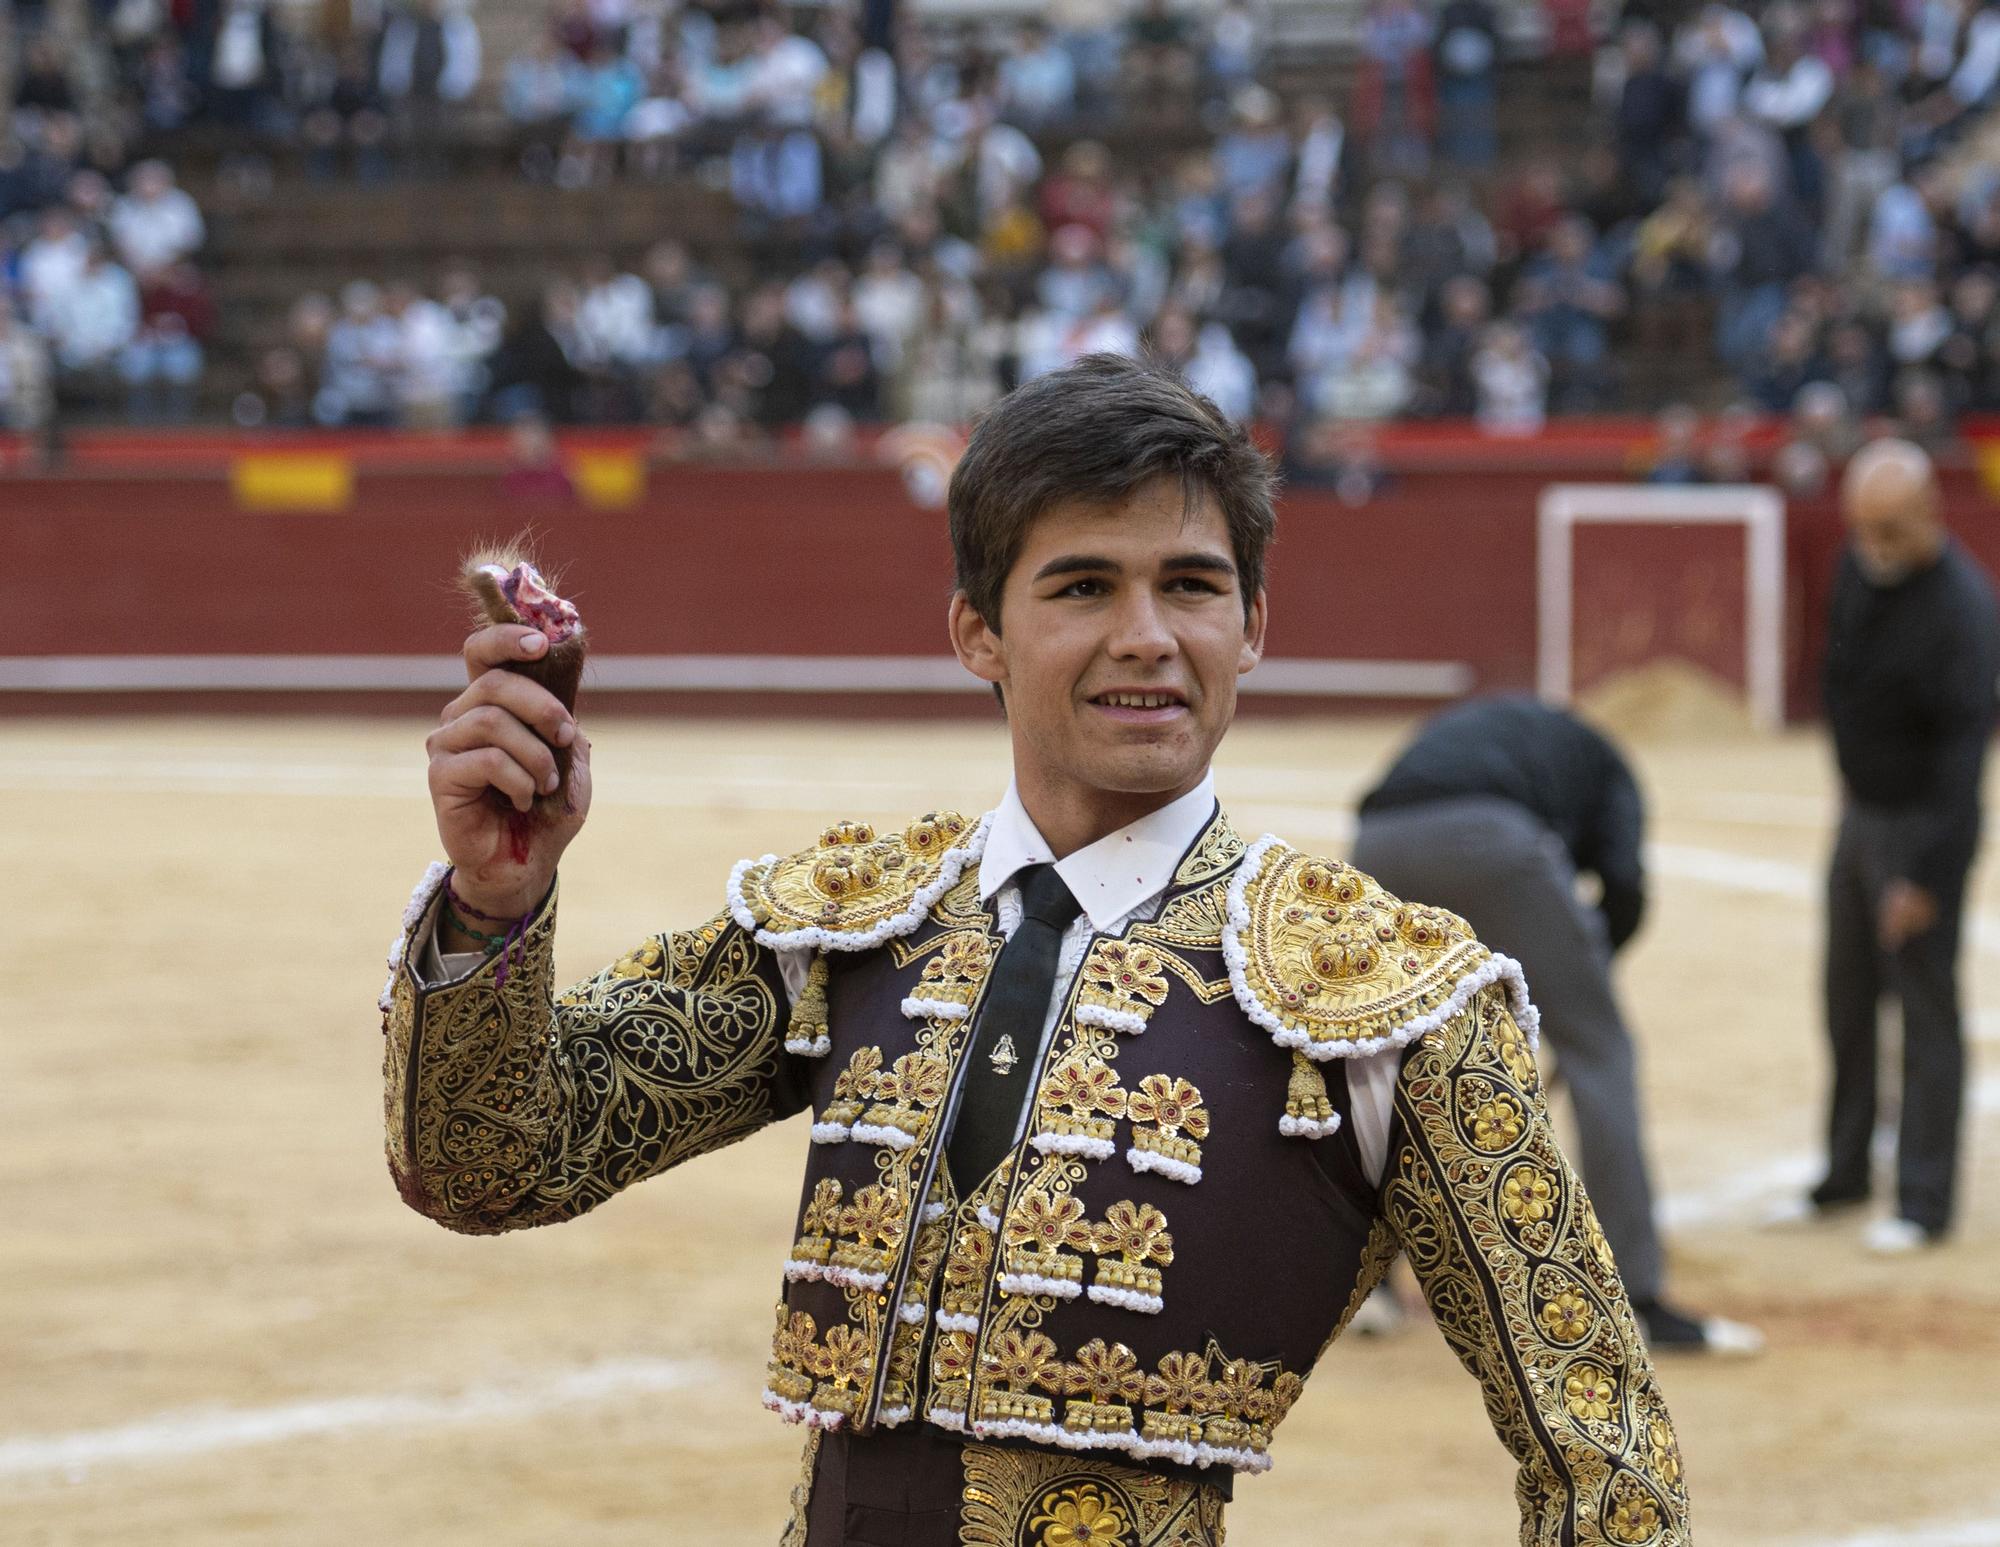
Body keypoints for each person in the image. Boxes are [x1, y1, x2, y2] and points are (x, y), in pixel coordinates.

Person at [381, 356, 1690, 1543]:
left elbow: (1606, 1458)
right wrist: (497, 906)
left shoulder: (1387, 995)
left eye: (1191, 584)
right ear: (977, 634)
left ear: (1253, 627)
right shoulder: (845, 921)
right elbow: (494, 1160)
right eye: (1082, 586)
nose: (1148, 635)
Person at [1353, 696, 1763, 1355]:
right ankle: (1639, 1297)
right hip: (1490, 841)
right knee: (1602, 1050)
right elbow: (1624, 888)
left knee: (1391, 1060)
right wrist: (1581, 988)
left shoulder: (1486, 730)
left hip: (1377, 844)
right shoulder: (1610, 768)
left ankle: (1364, 1284)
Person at [1798, 438, 1999, 1251]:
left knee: (1923, 1005)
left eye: (1888, 529)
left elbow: (1962, 764)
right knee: (1845, 995)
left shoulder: (1965, 612)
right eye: (1862, 529)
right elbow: (1841, 674)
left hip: (1925, 824)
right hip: (1862, 814)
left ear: (1929, 515)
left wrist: (1923, 876)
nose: (1873, 546)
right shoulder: (1858, 569)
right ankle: (1845, 1174)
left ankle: (1923, 1198)